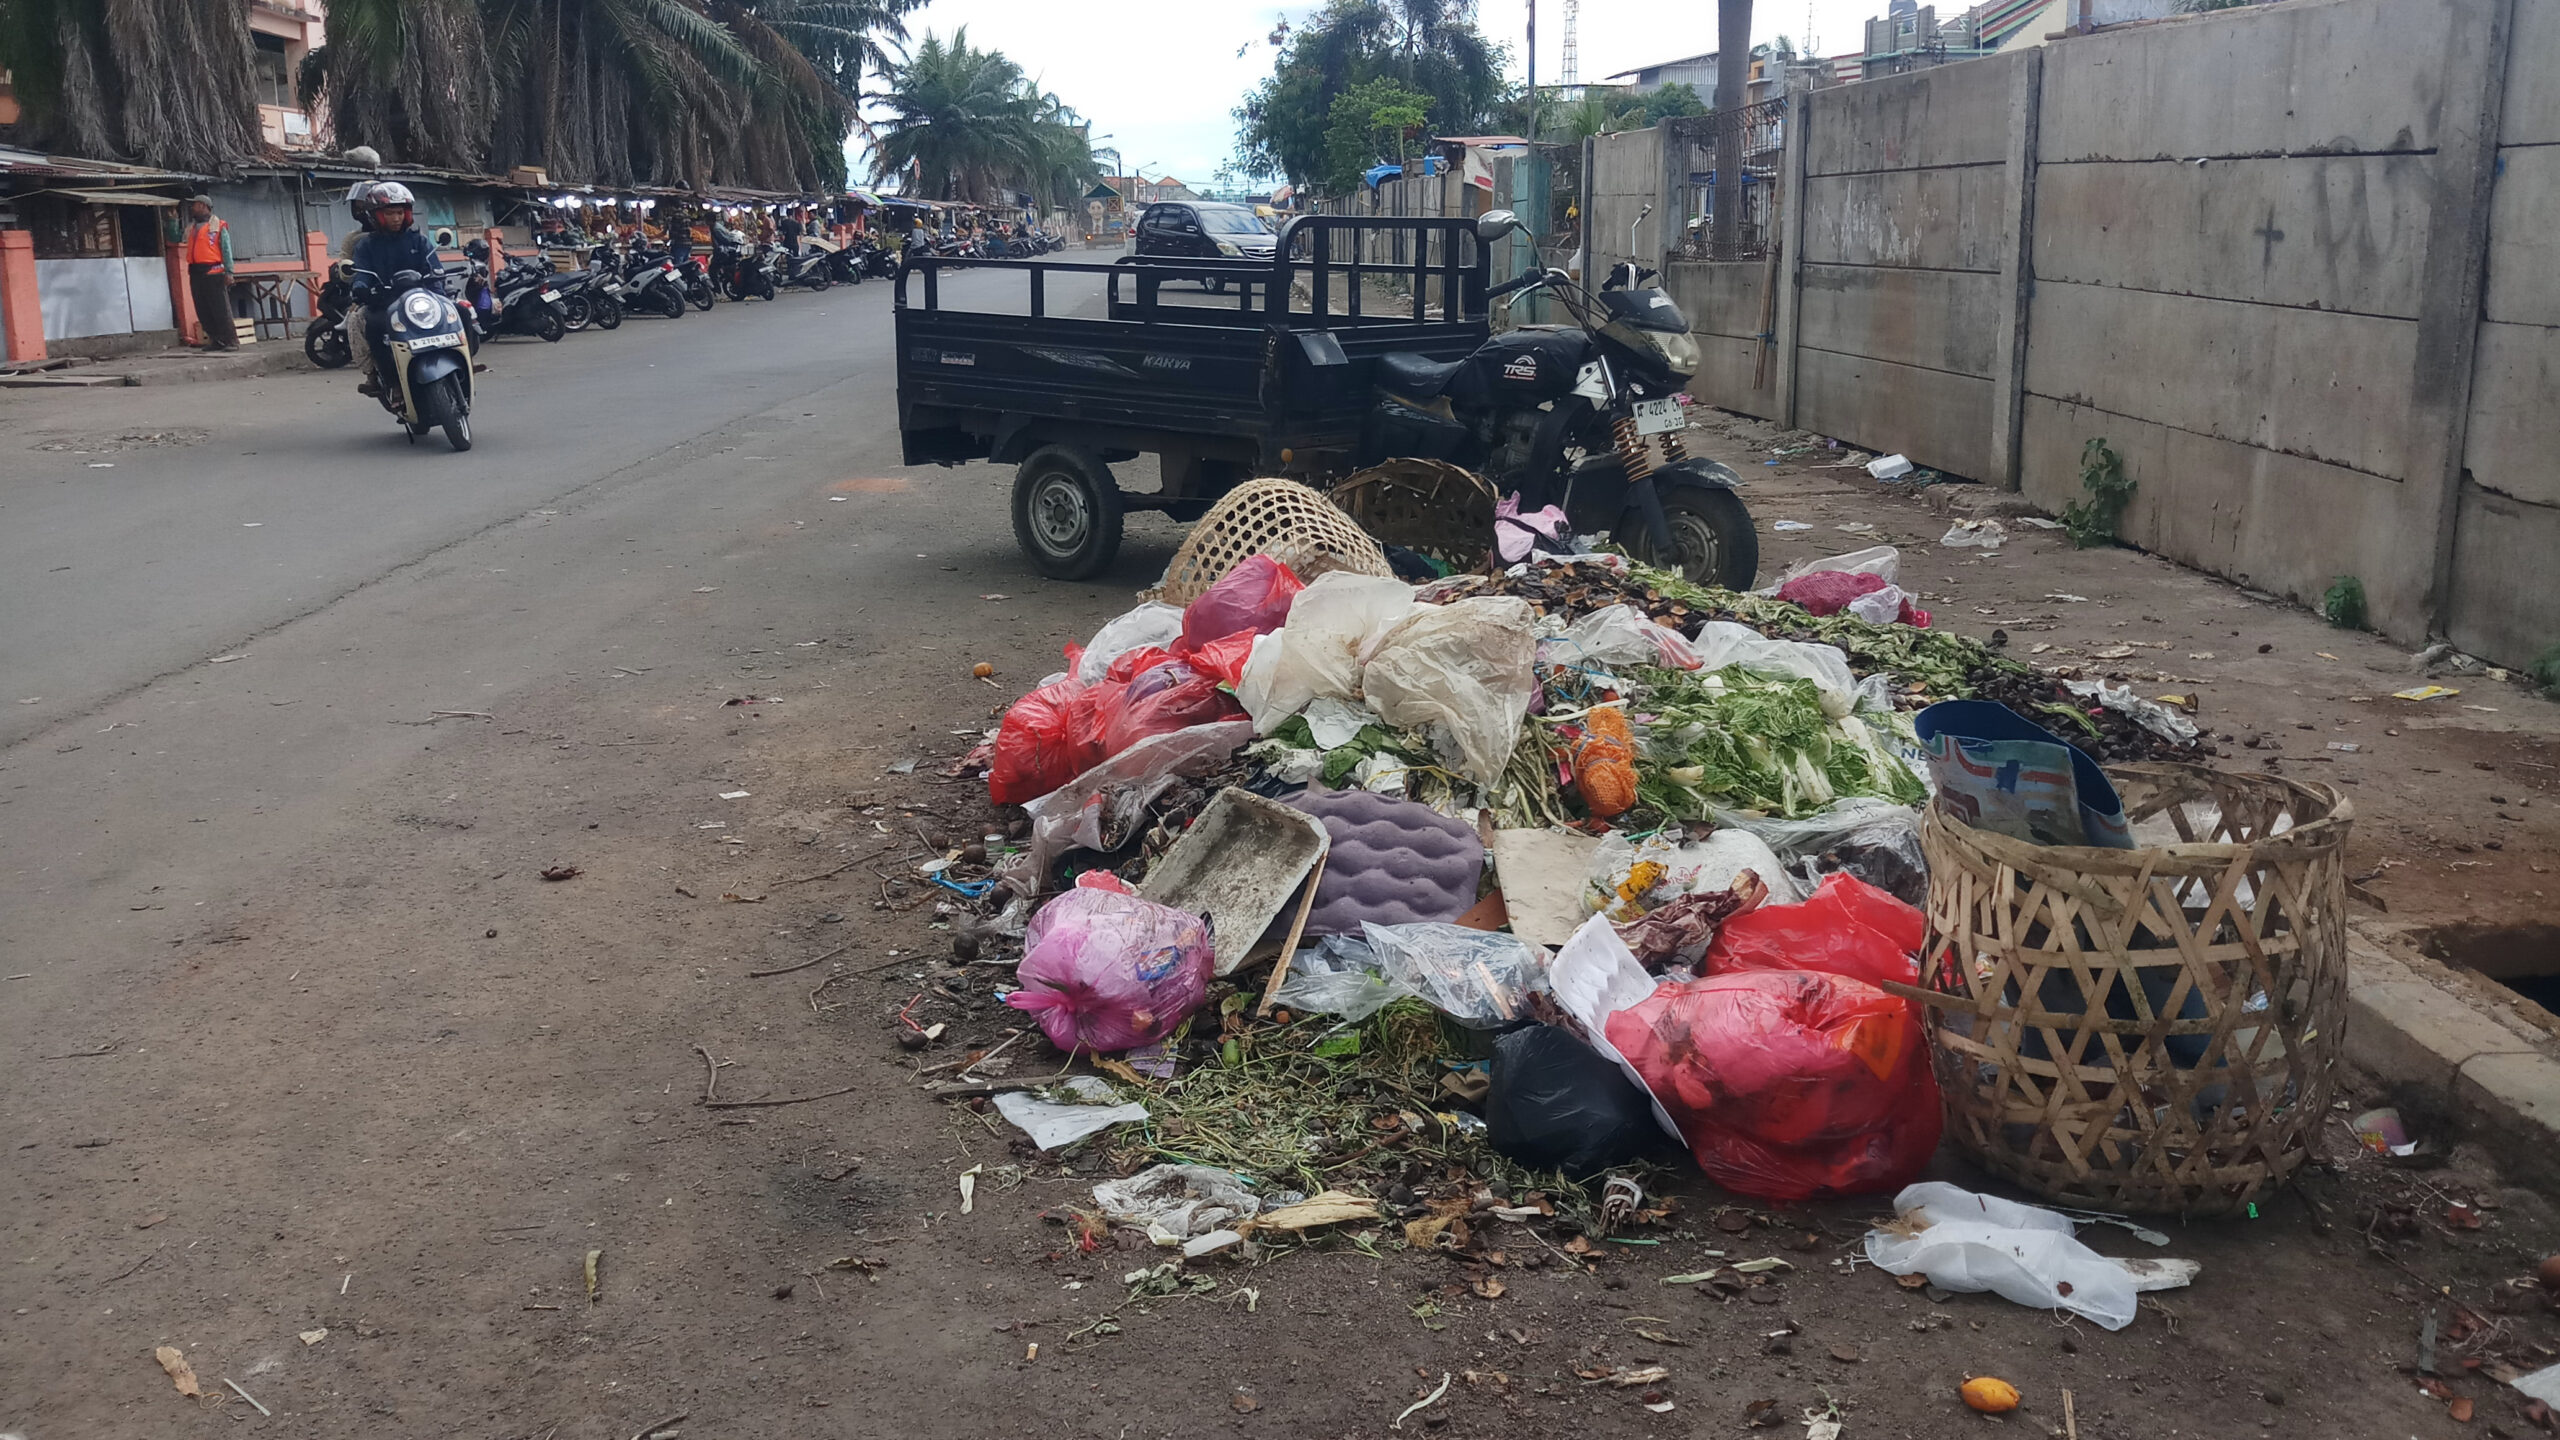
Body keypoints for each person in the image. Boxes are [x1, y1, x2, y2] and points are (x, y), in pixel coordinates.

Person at [348, 183, 442, 398]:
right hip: (385, 302)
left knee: (460, 312)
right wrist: (360, 288)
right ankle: (392, 384)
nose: (396, 218)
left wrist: (439, 287)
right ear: (377, 216)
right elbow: (361, 273)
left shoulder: (419, 241)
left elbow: (434, 268)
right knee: (373, 328)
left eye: (400, 212)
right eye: (390, 213)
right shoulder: (366, 246)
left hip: (420, 299)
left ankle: (463, 359)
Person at [182, 195, 239, 351]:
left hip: (214, 271)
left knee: (220, 308)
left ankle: (230, 341)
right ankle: (216, 340)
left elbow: (226, 249)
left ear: (202, 206)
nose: (192, 208)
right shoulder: (191, 228)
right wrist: (172, 222)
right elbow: (177, 239)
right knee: (203, 308)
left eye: (194, 205)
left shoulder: (218, 226)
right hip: (195, 271)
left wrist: (229, 272)